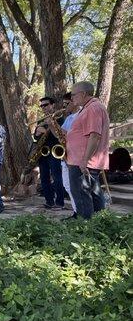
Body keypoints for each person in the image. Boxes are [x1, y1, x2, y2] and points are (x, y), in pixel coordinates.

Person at [66, 81, 110, 220]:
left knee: (81, 195)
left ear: (83, 94)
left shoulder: (93, 108)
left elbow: (95, 136)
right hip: (82, 161)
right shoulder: (89, 107)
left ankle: (84, 229)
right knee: (94, 195)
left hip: (83, 162)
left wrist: (85, 160)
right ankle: (98, 225)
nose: (72, 98)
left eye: (73, 94)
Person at [49, 92, 80, 219]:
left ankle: (80, 212)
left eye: (67, 104)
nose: (65, 106)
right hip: (65, 155)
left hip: (74, 155)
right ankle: (75, 211)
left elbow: (70, 135)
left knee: (75, 186)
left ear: (74, 102)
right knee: (67, 185)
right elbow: (59, 135)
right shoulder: (69, 118)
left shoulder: (80, 116)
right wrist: (52, 125)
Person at [34, 96, 65, 210]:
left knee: (57, 177)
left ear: (52, 105)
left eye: (45, 105)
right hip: (43, 152)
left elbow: (60, 136)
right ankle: (49, 201)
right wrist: (37, 134)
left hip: (55, 151)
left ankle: (60, 202)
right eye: (41, 105)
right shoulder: (41, 120)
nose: (43, 107)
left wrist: (49, 127)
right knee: (44, 177)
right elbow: (36, 138)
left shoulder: (60, 118)